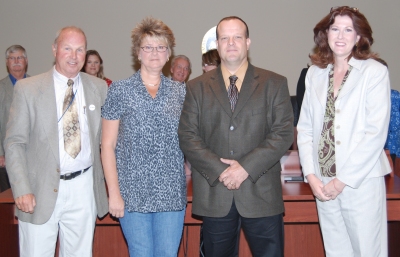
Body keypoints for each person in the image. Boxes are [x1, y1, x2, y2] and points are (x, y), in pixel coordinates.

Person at [178, 16, 293, 256]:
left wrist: (245, 168)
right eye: (224, 38)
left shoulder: (275, 83)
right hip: (215, 194)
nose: (231, 43)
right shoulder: (196, 87)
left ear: (248, 42)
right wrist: (221, 171)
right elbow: (188, 135)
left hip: (261, 193)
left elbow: (282, 134)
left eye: (237, 37)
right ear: (217, 45)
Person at [5, 26, 109, 256]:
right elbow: (14, 143)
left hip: (84, 188)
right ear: (54, 49)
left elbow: (109, 141)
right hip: (39, 189)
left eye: (79, 50)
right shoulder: (28, 89)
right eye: (67, 48)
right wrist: (21, 189)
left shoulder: (99, 88)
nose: (74, 56)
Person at [297, 6, 391, 257]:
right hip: (323, 183)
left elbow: (375, 133)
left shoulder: (374, 72)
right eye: (335, 28)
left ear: (359, 37)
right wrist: (311, 175)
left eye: (348, 29)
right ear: (325, 34)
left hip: (359, 182)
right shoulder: (314, 74)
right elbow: (305, 128)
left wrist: (342, 181)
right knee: (336, 252)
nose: (340, 35)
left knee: (368, 252)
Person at [101, 17, 186, 257]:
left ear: (169, 53)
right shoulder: (119, 90)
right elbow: (107, 146)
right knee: (140, 253)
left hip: (170, 193)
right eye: (148, 47)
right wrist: (114, 193)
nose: (154, 53)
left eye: (161, 47)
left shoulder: (181, 92)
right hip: (131, 194)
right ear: (138, 53)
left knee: (168, 254)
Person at [0, 45, 29, 192]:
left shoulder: (37, 85)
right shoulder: (1, 88)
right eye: (12, 58)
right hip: (7, 154)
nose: (16, 61)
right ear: (7, 62)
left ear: (26, 61)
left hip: (33, 152)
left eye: (20, 57)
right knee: (9, 198)